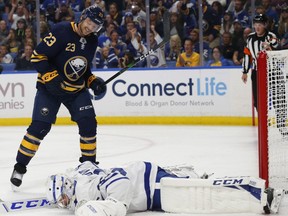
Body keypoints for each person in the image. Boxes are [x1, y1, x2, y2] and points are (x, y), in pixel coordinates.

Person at [10, 5, 107, 188]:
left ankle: (89, 169)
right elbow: (38, 57)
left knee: (88, 124)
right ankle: (19, 167)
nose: (91, 28)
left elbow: (82, 68)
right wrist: (51, 78)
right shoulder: (62, 30)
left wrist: (92, 81)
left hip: (76, 91)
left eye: (96, 26)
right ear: (83, 17)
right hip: (50, 90)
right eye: (89, 22)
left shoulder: (92, 41)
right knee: (39, 127)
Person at [46, 160, 281, 216]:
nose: (63, 203)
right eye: (60, 202)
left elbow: (120, 182)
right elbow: (87, 165)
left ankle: (260, 194)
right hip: (147, 183)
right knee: (193, 195)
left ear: (68, 188)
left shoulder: (85, 188)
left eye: (63, 199)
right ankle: (187, 174)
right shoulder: (79, 180)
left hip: (149, 185)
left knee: (200, 196)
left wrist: (117, 205)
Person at [241, 14, 287, 136]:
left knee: (278, 99)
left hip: (273, 71)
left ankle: (282, 125)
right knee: (257, 101)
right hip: (257, 73)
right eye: (255, 24)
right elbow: (247, 54)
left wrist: (271, 47)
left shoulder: (271, 36)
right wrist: (245, 71)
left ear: (265, 25)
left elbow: (279, 50)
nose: (257, 26)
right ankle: (263, 123)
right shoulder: (250, 38)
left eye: (260, 24)